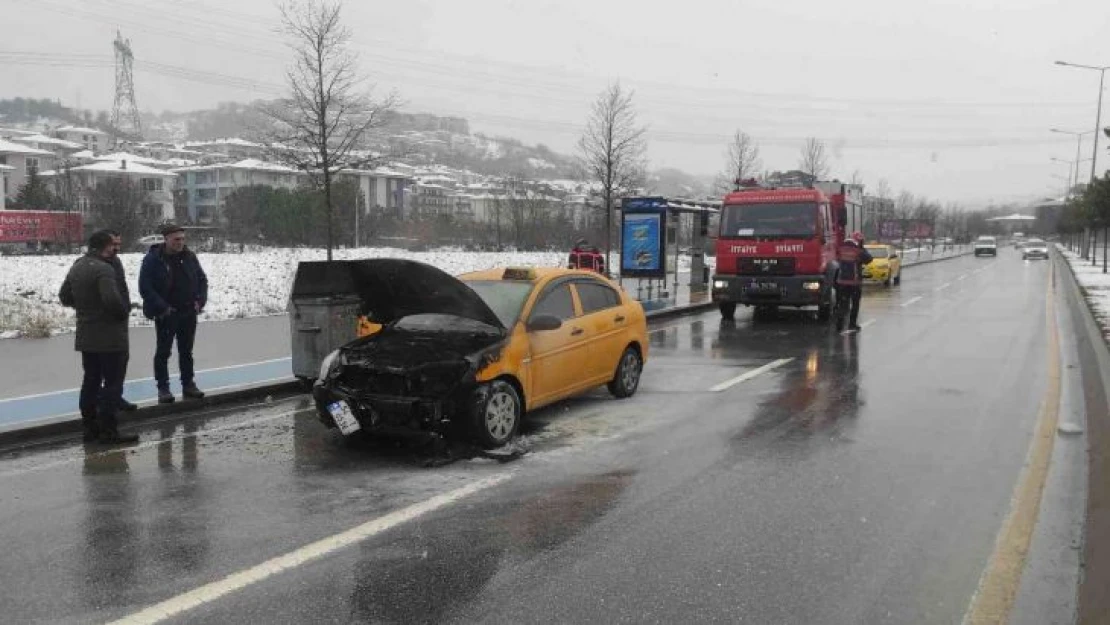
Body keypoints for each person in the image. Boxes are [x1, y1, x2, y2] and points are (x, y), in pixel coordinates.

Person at [58, 230, 139, 444]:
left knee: (90, 382)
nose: (117, 248)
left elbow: (64, 296)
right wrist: (123, 312)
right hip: (110, 337)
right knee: (112, 384)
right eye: (113, 245)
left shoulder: (78, 265)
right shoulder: (104, 269)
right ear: (104, 246)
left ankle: (90, 428)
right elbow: (112, 301)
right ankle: (109, 430)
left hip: (87, 335)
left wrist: (86, 308)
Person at [139, 223, 209, 404]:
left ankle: (188, 384)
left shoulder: (189, 256)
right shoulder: (153, 259)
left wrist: (200, 301)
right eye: (176, 239)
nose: (180, 242)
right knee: (163, 352)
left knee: (186, 351)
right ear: (166, 239)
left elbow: (202, 280)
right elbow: (145, 288)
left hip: (188, 312)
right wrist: (163, 307)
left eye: (183, 239)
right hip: (167, 314)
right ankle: (163, 388)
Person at [105, 229, 138, 412]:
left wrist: (126, 308)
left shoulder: (116, 262)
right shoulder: (96, 264)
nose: (117, 248)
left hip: (120, 320)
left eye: (119, 244)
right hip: (104, 323)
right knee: (104, 365)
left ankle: (116, 396)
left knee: (121, 360)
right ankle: (105, 402)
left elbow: (122, 287)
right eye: (113, 244)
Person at [835, 231, 874, 333]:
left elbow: (837, 259)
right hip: (854, 282)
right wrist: (861, 247)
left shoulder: (841, 249)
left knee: (842, 304)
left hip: (842, 282)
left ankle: (839, 324)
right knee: (855, 304)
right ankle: (852, 325)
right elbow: (869, 259)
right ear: (859, 240)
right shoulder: (858, 250)